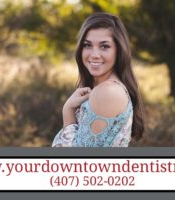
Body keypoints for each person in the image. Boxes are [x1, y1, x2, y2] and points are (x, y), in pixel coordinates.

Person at [52, 12, 145, 147]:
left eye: (104, 46)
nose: (94, 55)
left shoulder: (107, 92)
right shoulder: (103, 88)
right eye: (87, 45)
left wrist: (67, 111)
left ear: (118, 50)